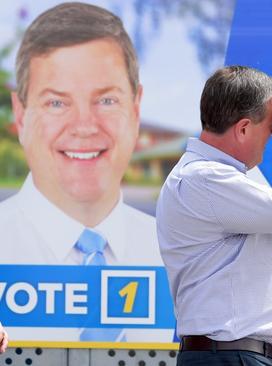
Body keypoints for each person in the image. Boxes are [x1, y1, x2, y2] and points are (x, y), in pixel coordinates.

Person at [0, 2, 171, 342]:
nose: (83, 126)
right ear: (21, 115)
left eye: (106, 100)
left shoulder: (178, 252)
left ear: (135, 109)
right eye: (56, 102)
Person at [156, 66, 272, 366]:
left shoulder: (212, 177)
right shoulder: (206, 179)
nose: (271, 139)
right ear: (244, 128)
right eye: (270, 130)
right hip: (230, 356)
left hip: (231, 355)